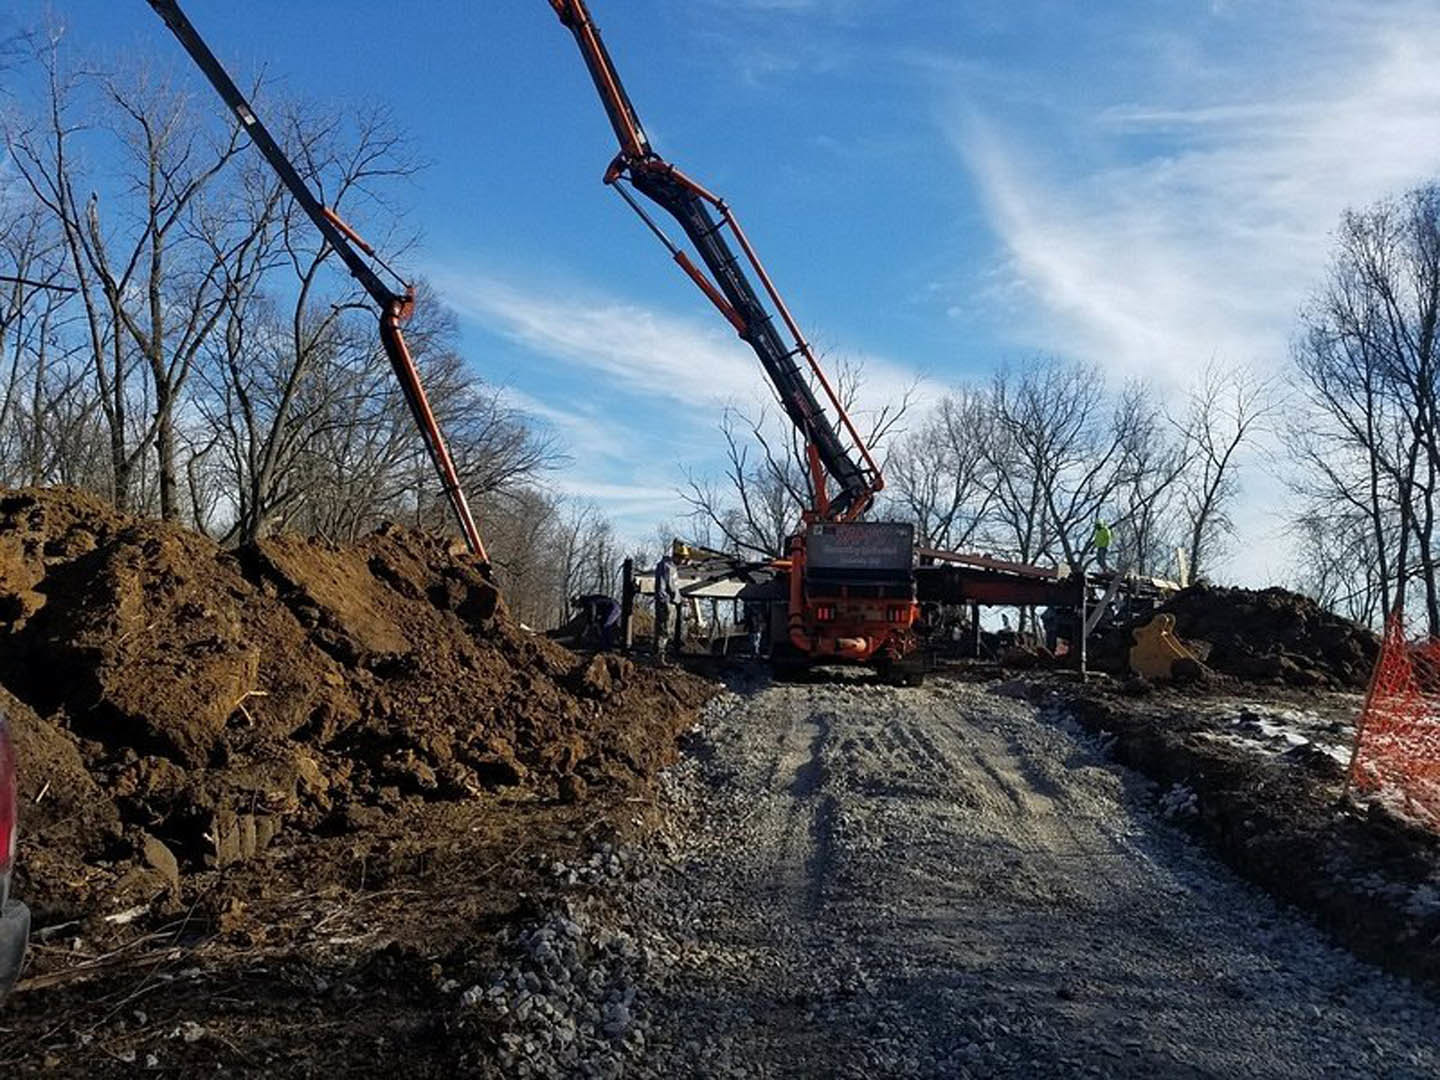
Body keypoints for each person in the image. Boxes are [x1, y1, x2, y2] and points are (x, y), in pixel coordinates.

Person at [654, 552, 679, 664]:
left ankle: (660, 656)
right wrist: (675, 598)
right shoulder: (668, 567)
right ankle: (659, 657)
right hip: (667, 602)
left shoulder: (666, 566)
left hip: (666, 601)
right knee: (665, 630)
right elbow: (668, 586)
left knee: (664, 630)